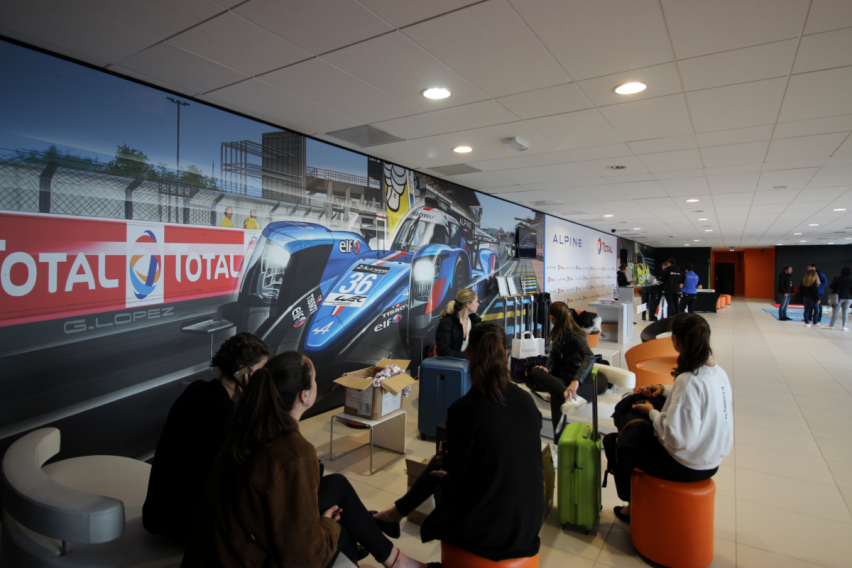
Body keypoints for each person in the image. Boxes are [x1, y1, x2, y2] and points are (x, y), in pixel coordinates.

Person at [181, 352, 433, 568]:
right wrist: (327, 526)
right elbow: (304, 560)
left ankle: (393, 556)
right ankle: (394, 559)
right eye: (313, 379)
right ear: (305, 396)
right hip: (249, 556)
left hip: (219, 548)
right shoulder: (293, 452)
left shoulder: (247, 424)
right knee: (342, 526)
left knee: (337, 486)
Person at [373, 323, 543, 562]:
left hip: (490, 535)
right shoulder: (526, 401)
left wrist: (447, 480)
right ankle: (395, 513)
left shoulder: (464, 410)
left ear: (468, 353)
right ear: (506, 355)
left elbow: (459, 484)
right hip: (529, 525)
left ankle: (395, 516)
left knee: (443, 466)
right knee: (444, 459)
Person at [604, 313, 732, 523]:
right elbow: (696, 403)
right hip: (712, 459)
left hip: (688, 466)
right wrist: (663, 389)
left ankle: (631, 506)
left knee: (619, 443)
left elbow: (677, 438)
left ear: (676, 340)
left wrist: (651, 412)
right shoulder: (718, 373)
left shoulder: (688, 380)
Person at [143, 332, 269, 539]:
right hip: (188, 524)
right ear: (242, 371)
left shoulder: (196, 389)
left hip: (156, 514)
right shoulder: (226, 412)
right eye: (259, 372)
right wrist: (250, 403)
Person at [529, 302, 595, 436]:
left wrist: (576, 381)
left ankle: (558, 442)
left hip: (581, 383)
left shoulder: (575, 334)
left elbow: (589, 356)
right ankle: (568, 395)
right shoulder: (558, 332)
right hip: (564, 379)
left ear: (552, 318)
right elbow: (553, 354)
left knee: (557, 394)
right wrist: (546, 368)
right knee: (536, 371)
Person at [435, 288, 481, 358]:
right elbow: (443, 351)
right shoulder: (446, 323)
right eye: (476, 301)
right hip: (451, 364)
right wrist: (469, 356)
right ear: (467, 304)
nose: (478, 304)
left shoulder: (475, 322)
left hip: (469, 363)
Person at [828, 266, 852, 331]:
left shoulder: (837, 279)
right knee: (845, 312)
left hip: (838, 297)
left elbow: (831, 286)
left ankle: (831, 325)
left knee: (835, 312)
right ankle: (844, 326)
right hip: (849, 297)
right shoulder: (851, 279)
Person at [633, 254, 650, 321]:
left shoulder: (637, 266)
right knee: (645, 302)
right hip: (645, 286)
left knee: (643, 302)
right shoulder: (645, 266)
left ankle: (643, 316)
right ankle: (644, 316)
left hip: (644, 286)